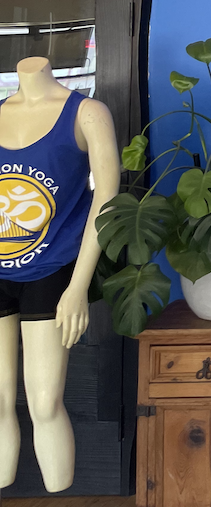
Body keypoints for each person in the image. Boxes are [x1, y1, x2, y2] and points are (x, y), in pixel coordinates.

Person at [0, 57, 119, 492]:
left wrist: (78, 287)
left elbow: (106, 199)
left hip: (52, 271)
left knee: (45, 402)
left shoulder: (86, 113)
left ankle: (57, 495)